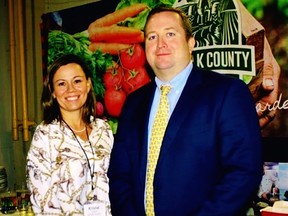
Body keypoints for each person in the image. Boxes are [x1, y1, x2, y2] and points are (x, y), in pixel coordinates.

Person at [108, 6, 263, 216]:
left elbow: (243, 172)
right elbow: (119, 174)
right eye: (152, 37)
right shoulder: (133, 103)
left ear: (191, 43)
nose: (161, 44)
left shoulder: (227, 93)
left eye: (170, 34)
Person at [26, 54, 113, 215]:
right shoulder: (45, 135)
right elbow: (42, 201)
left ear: (88, 84)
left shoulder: (104, 130)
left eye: (77, 81)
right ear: (52, 92)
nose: (71, 89)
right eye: (61, 84)